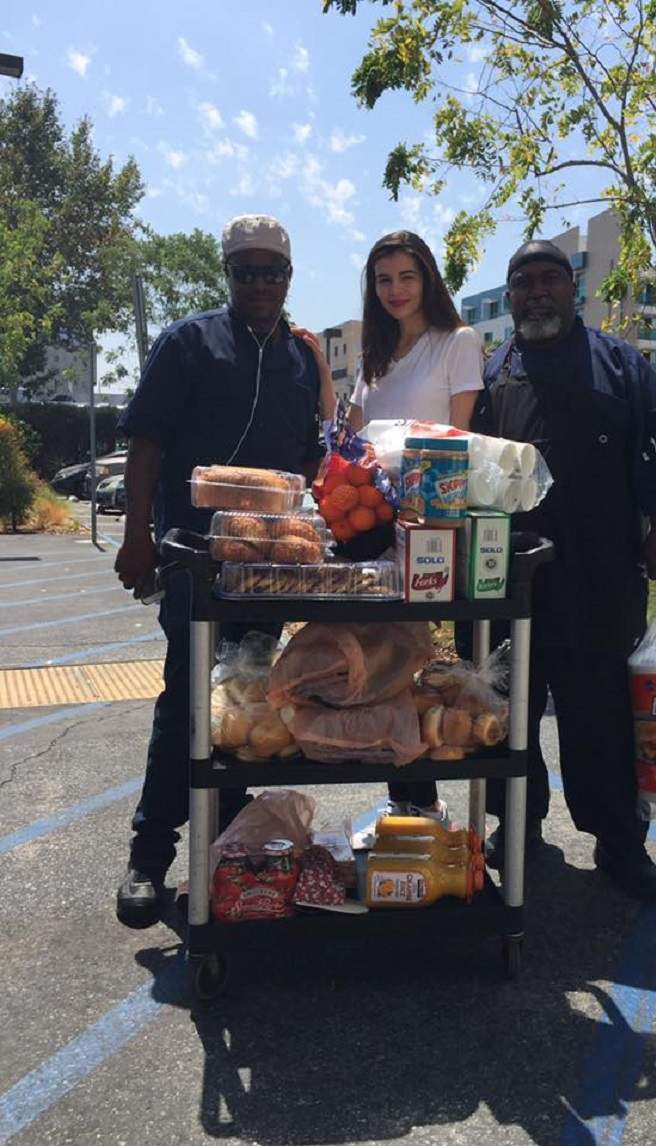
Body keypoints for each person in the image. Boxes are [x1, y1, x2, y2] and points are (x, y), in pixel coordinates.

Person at [114, 213, 333, 928]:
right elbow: (146, 445)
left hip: (269, 568)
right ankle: (150, 858)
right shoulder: (188, 342)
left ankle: (229, 856)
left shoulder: (303, 360)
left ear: (290, 277)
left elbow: (308, 459)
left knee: (250, 709)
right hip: (193, 562)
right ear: (228, 275)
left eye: (273, 271)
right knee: (185, 700)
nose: (261, 283)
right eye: (247, 271)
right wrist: (136, 538)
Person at [472, 240, 656, 899]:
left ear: (572, 289)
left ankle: (619, 843)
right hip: (511, 581)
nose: (537, 292)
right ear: (510, 295)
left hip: (601, 572)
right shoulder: (491, 373)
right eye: (525, 282)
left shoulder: (620, 365)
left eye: (550, 280)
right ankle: (517, 828)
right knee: (506, 711)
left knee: (600, 713)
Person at [349, 230, 485, 822]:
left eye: (407, 276)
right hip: (368, 528)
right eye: (383, 280)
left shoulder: (457, 342)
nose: (395, 290)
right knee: (376, 664)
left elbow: (461, 443)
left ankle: (425, 799)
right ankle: (401, 793)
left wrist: (423, 507)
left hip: (427, 526)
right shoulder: (375, 357)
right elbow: (349, 441)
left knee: (416, 662)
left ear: (427, 278)